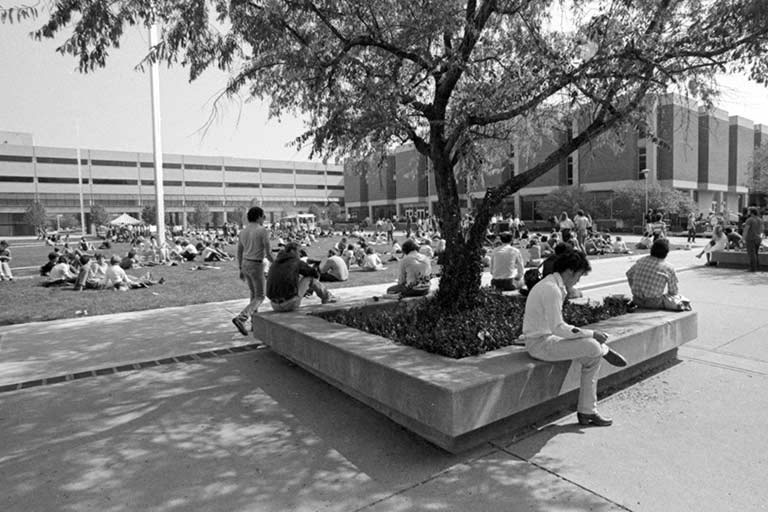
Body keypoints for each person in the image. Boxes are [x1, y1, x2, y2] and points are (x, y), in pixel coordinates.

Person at [520, 249, 627, 427]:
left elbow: (558, 327)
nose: (578, 280)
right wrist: (592, 334)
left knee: (592, 357)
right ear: (569, 271)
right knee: (593, 347)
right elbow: (559, 327)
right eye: (578, 276)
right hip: (540, 344)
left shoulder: (553, 285)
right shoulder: (551, 289)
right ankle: (602, 351)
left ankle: (587, 411)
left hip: (547, 339)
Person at [232, 206, 275, 336]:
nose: (264, 219)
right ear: (258, 217)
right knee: (260, 296)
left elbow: (239, 251)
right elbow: (268, 253)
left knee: (253, 295)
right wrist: (277, 263)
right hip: (256, 264)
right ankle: (242, 318)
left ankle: (255, 325)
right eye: (263, 216)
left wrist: (240, 268)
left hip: (245, 263)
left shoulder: (243, 231)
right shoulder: (262, 231)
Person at [266, 242, 336, 311]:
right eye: (299, 251)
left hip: (274, 305)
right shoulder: (295, 261)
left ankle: (325, 296)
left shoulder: (275, 262)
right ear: (292, 251)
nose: (300, 254)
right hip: (289, 304)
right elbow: (314, 274)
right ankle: (327, 297)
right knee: (310, 278)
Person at [626, 238, 690, 311]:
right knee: (679, 298)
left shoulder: (641, 260)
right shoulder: (668, 267)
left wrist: (634, 288)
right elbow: (673, 291)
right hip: (654, 302)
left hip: (637, 300)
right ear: (666, 253)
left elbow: (629, 274)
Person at [742, 206, 765, 272]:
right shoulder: (760, 220)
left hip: (750, 238)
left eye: (749, 211)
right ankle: (756, 267)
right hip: (758, 238)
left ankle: (752, 268)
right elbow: (762, 230)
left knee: (751, 254)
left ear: (751, 212)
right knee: (756, 253)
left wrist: (743, 238)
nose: (748, 212)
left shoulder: (749, 220)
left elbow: (746, 230)